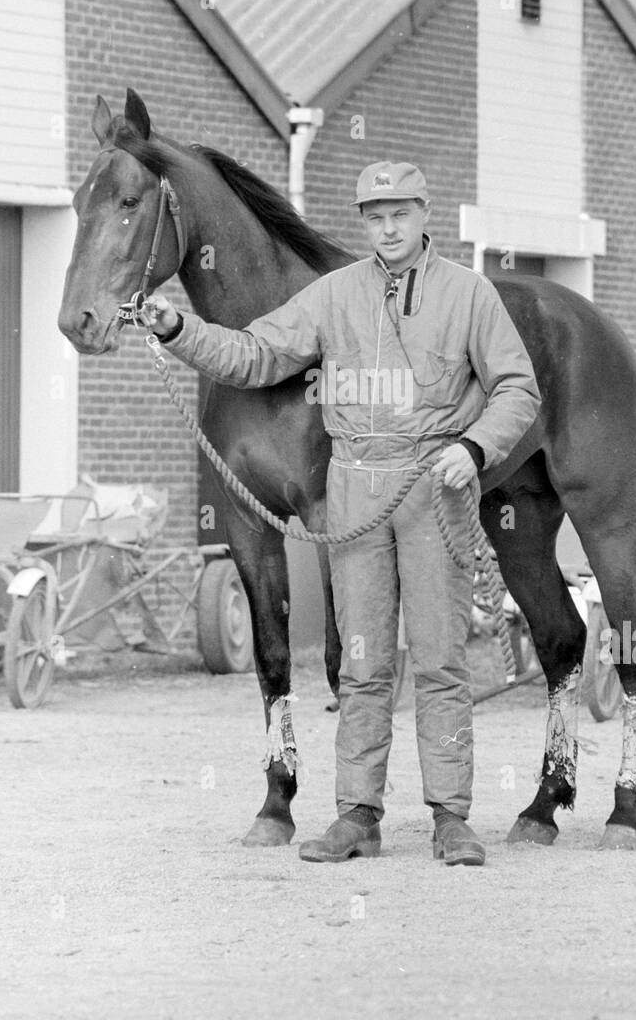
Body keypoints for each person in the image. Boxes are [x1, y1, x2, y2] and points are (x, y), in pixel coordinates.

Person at [143, 162, 541, 865]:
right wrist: (181, 330)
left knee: (443, 661)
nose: (387, 227)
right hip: (355, 483)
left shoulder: (469, 296)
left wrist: (476, 449)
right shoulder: (334, 295)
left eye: (399, 213)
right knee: (360, 662)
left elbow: (516, 387)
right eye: (374, 216)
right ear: (364, 222)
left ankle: (451, 818)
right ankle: (358, 815)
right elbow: (257, 352)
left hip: (432, 486)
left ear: (424, 213)